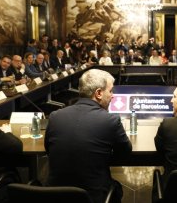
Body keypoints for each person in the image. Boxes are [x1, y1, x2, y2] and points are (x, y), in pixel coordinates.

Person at [45, 69, 132, 203]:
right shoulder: (110, 121)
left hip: (54, 196)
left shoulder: (55, 116)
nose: (113, 95)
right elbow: (125, 154)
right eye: (110, 91)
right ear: (98, 93)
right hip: (94, 196)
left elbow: (48, 150)